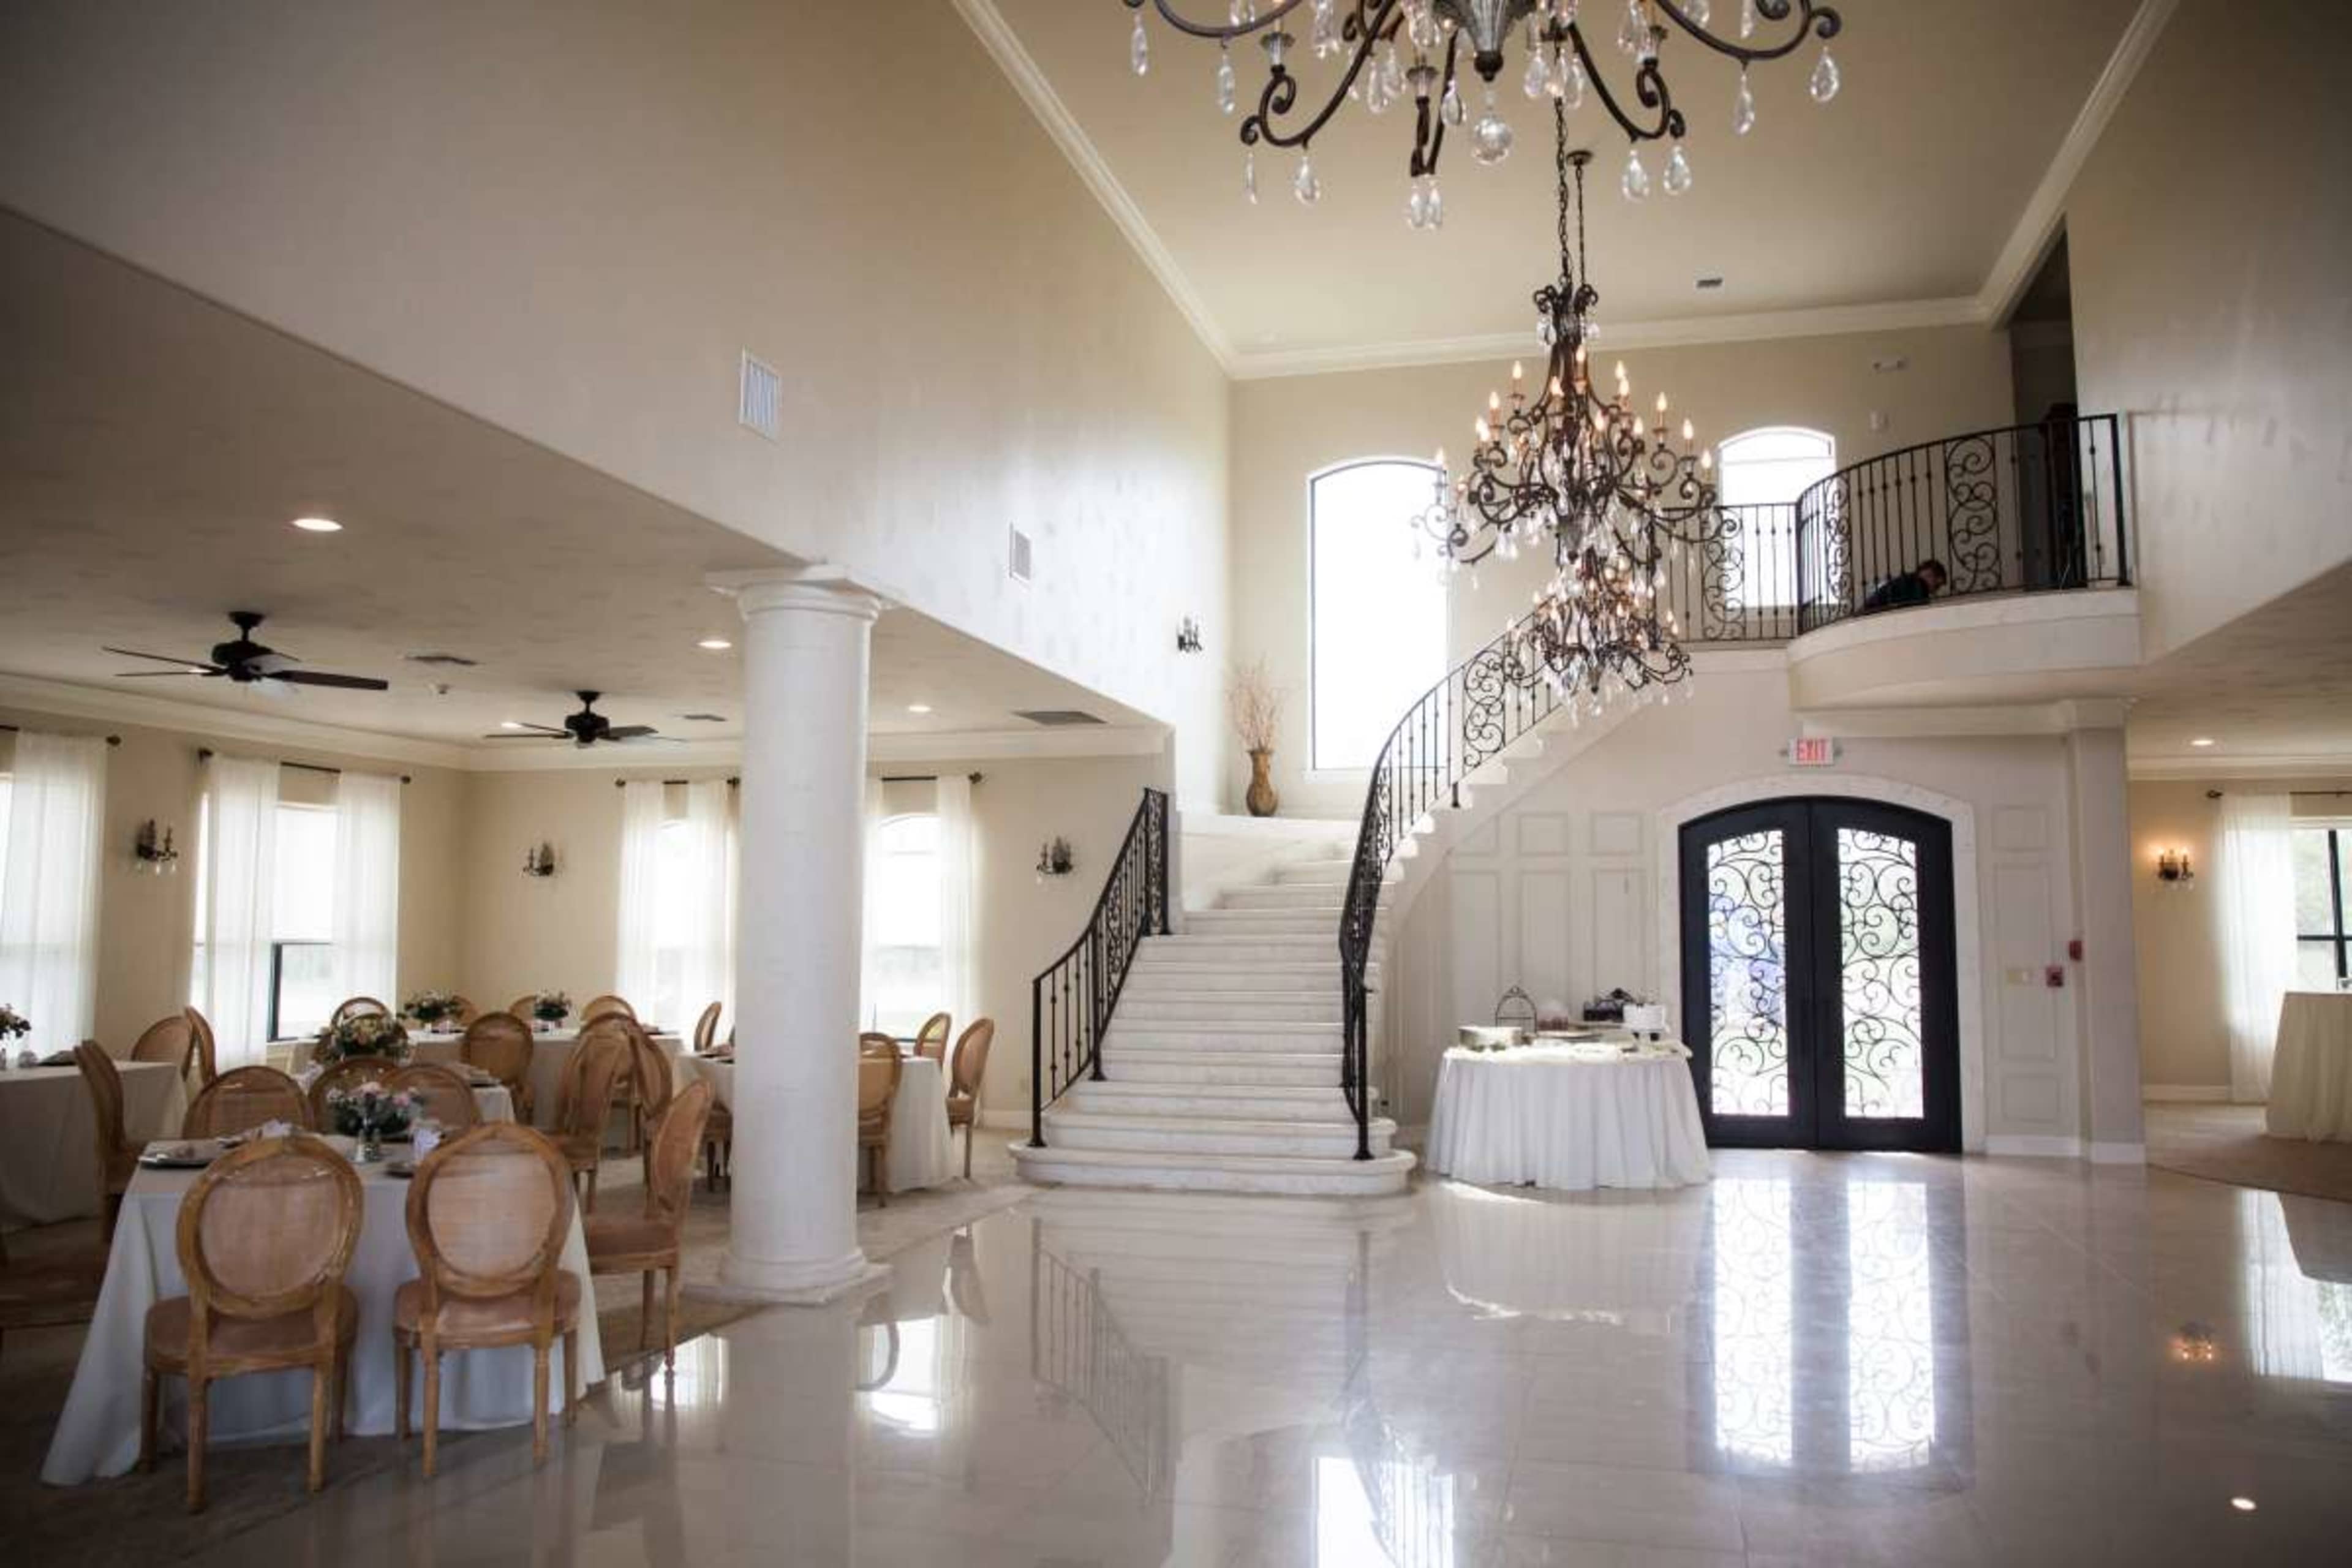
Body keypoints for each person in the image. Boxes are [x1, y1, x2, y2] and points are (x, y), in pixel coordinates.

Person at [1861, 557, 1947, 612]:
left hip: (1869, 611)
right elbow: (1919, 611)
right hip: (1873, 611)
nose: (1935, 590)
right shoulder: (1918, 585)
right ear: (1929, 574)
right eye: (1937, 585)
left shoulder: (1908, 580)